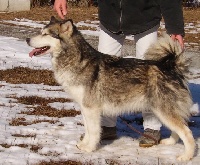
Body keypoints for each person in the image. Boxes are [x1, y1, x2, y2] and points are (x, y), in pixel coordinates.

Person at [54, 0, 185, 147]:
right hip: (110, 18)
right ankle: (107, 126)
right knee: (101, 79)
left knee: (153, 79)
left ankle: (152, 128)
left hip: (145, 17)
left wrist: (175, 28)